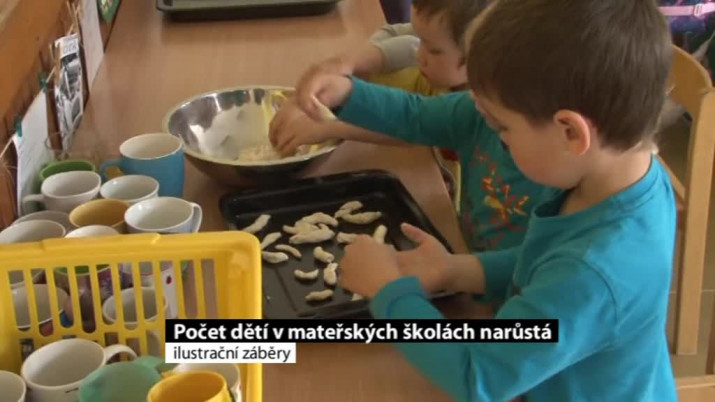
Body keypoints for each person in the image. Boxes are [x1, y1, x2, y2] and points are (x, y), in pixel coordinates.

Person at [280, 0, 679, 400]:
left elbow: (478, 376)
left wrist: (389, 293)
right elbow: (545, 260)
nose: (493, 135)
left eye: (502, 129)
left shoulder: (595, 273)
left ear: (571, 133)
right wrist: (459, 271)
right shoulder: (621, 176)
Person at [270, 1, 544, 252]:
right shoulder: (475, 108)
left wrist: (463, 271)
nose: (417, 54)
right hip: (466, 244)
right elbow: (413, 115)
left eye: (433, 49)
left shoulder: (548, 183)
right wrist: (344, 91)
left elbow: (523, 266)